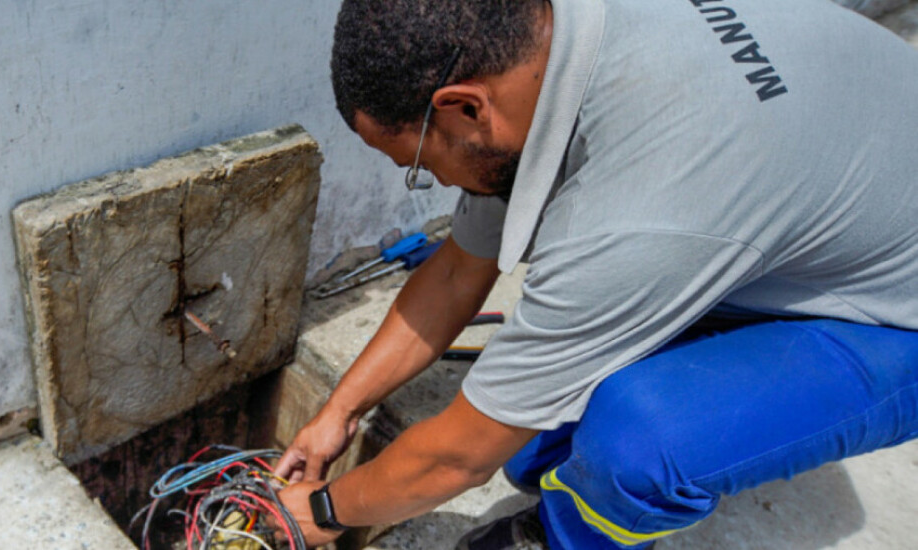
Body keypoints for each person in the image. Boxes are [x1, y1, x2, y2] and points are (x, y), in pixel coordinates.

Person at [276, 0, 918, 547]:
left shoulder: (639, 211)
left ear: (466, 108)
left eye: (419, 163)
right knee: (536, 444)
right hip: (837, 202)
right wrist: (340, 410)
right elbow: (454, 274)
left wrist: (326, 510)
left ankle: (562, 536)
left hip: (898, 318)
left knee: (629, 445)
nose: (436, 182)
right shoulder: (561, 39)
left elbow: (458, 458)